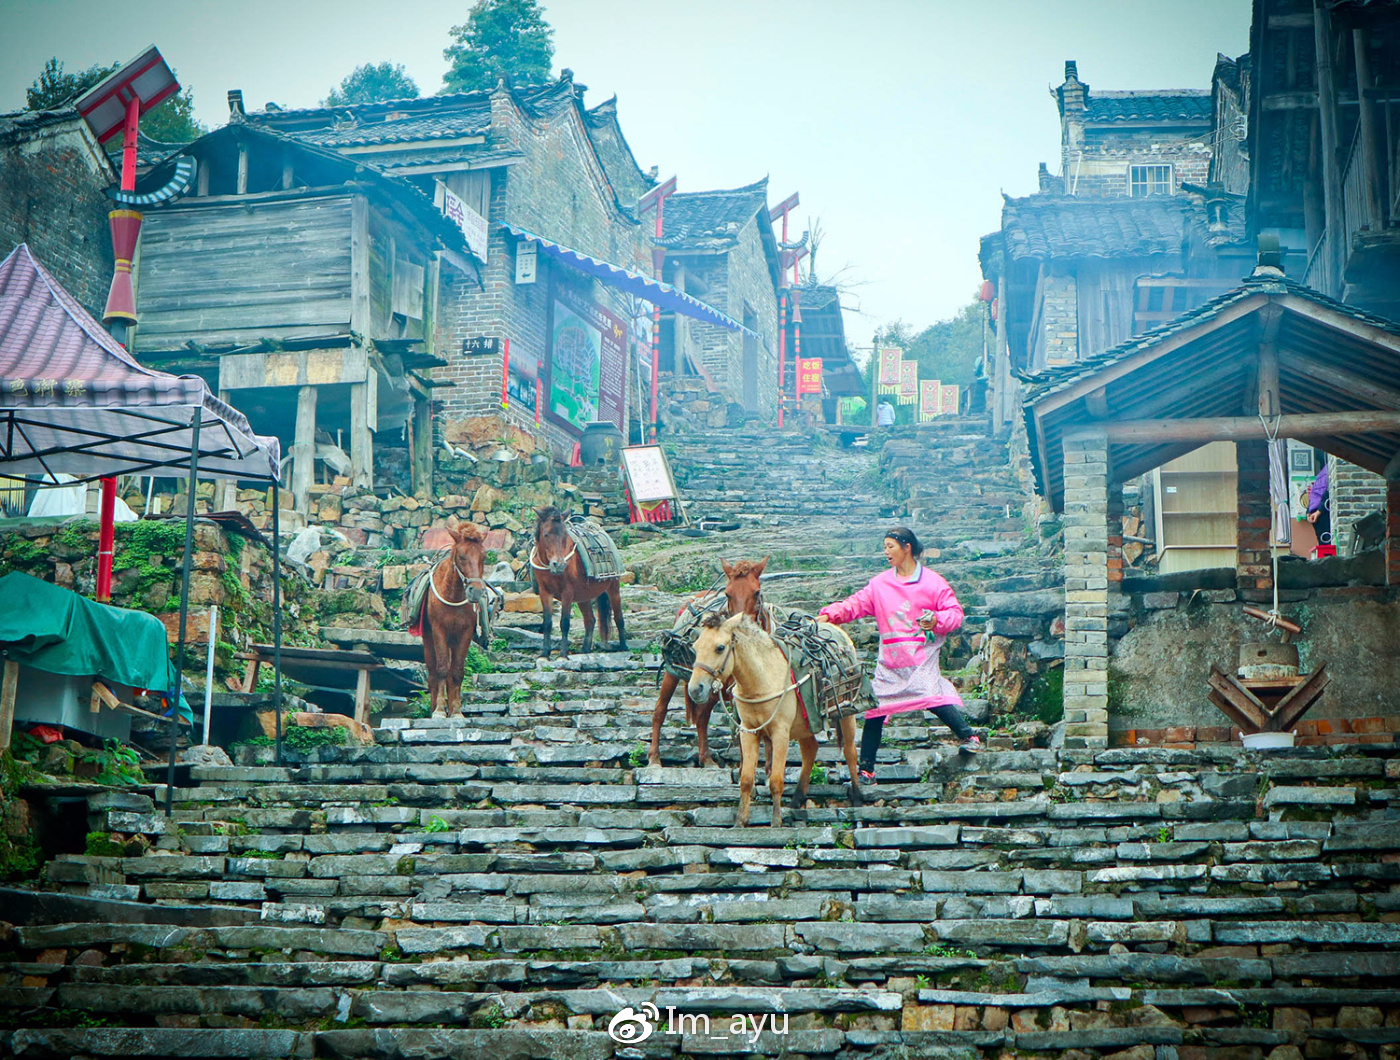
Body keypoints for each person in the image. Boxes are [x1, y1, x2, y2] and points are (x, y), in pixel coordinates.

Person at [818, 526, 979, 783]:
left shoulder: (933, 582)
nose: (886, 552)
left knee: (930, 693)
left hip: (919, 655)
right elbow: (855, 604)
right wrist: (831, 614)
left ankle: (968, 736)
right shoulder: (880, 584)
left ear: (907, 548)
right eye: (884, 547)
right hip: (891, 658)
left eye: (890, 546)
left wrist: (936, 619)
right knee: (875, 710)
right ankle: (867, 770)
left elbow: (955, 614)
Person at [1306, 459, 1331, 548]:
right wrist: (1310, 512)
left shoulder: (1325, 472)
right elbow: (1326, 493)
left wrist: (1313, 512)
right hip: (1319, 512)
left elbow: (1327, 494)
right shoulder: (1327, 471)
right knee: (1325, 543)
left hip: (1319, 512)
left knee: (1325, 543)